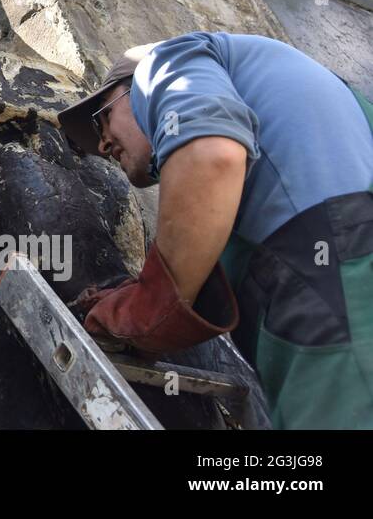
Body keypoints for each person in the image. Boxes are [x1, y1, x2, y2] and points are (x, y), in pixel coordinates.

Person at [60, 31, 373, 428]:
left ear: (133, 89)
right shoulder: (324, 114)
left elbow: (212, 157)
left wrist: (149, 303)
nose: (103, 145)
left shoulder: (162, 62)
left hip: (338, 288)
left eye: (102, 118)